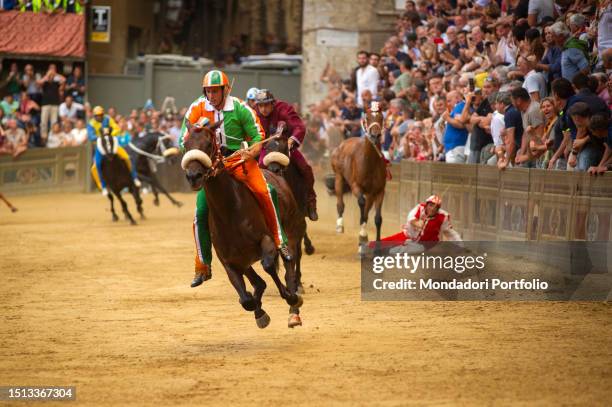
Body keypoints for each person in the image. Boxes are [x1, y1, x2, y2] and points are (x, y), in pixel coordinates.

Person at [178, 70, 292, 288]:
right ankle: (203, 266)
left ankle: (280, 241)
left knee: (267, 192)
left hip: (239, 161)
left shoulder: (241, 108)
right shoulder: (197, 108)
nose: (211, 95)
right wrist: (191, 146)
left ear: (225, 89)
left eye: (215, 91)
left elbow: (258, 136)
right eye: (208, 91)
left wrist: (252, 150)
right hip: (212, 167)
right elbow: (184, 136)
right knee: (200, 214)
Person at [254, 89, 318, 221]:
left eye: (266, 105)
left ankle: (311, 202)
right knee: (257, 170)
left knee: (306, 169)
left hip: (286, 147)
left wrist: (291, 140)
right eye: (260, 105)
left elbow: (299, 126)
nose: (263, 109)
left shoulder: (284, 109)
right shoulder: (254, 113)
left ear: (273, 103)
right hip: (265, 150)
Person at [87, 105, 140, 196]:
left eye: (101, 115)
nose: (100, 117)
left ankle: (134, 178)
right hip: (100, 146)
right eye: (97, 115)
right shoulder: (91, 124)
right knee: (96, 166)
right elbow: (91, 136)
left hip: (112, 142)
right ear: (94, 116)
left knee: (126, 157)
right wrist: (101, 137)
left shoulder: (107, 119)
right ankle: (103, 187)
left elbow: (117, 128)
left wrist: (110, 134)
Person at [378, 195, 461, 243]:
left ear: (438, 209)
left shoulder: (443, 217)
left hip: (427, 245)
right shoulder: (419, 208)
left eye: (435, 207)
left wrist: (461, 246)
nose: (432, 209)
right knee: (383, 243)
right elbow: (411, 218)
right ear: (426, 205)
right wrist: (418, 223)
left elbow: (451, 234)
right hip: (408, 236)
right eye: (431, 205)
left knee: (398, 251)